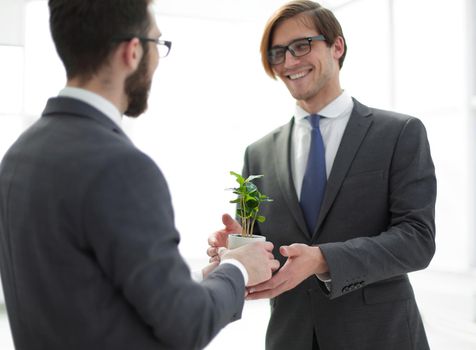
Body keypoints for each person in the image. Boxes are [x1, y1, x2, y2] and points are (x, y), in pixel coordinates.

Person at [0, 1, 280, 349]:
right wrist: (238, 268)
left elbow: (86, 292)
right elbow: (187, 323)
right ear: (133, 52)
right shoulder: (122, 167)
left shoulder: (18, 155)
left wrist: (203, 276)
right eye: (157, 44)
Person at [207, 1, 436, 349]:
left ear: (337, 46)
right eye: (277, 53)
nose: (289, 62)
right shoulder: (259, 153)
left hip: (380, 336)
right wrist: (239, 246)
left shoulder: (399, 132)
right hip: (291, 336)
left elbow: (417, 240)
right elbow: (266, 259)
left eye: (301, 46)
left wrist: (324, 259)